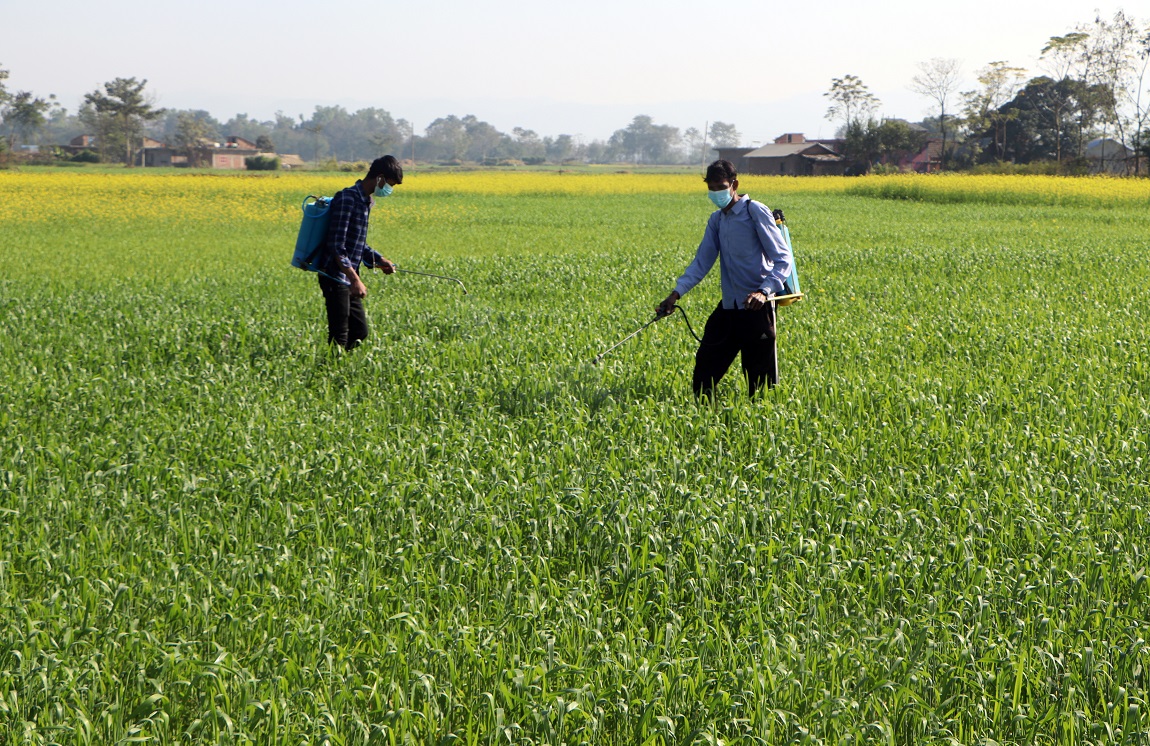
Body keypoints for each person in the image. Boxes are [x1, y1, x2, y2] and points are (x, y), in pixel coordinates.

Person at [657, 159, 793, 396]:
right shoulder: (717, 220)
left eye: (720, 187)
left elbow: (783, 259)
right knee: (704, 374)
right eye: (711, 188)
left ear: (734, 184)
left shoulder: (754, 211)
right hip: (729, 309)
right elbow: (701, 263)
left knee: (760, 387)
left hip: (756, 310)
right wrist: (675, 294)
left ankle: (757, 426)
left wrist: (764, 291)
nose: (716, 193)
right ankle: (706, 422)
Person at [319, 155, 403, 350]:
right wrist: (355, 280)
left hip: (349, 275)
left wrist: (379, 259)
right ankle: (330, 372)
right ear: (380, 178)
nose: (390, 189)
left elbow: (357, 243)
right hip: (335, 275)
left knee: (359, 332)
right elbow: (336, 244)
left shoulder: (365, 201)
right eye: (390, 184)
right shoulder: (348, 198)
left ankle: (340, 368)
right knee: (339, 334)